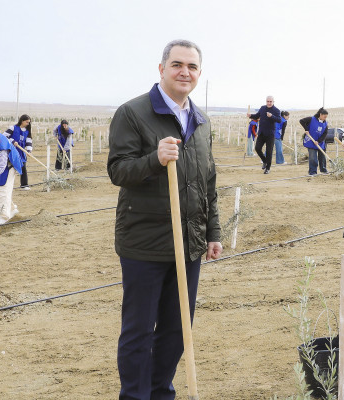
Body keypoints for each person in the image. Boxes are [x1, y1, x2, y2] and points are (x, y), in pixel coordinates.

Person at [107, 39, 223, 400]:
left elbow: (208, 181)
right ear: (161, 69)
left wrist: (213, 232)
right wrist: (154, 160)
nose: (184, 72)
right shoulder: (133, 113)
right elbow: (118, 171)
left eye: (192, 66)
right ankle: (135, 396)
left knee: (177, 329)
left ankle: (160, 392)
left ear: (199, 73)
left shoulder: (201, 121)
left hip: (189, 244)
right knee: (139, 331)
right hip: (145, 243)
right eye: (177, 65)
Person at [248, 96, 282, 174]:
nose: (269, 103)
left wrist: (272, 116)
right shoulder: (262, 108)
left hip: (270, 134)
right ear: (266, 101)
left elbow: (279, 120)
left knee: (269, 152)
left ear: (273, 102)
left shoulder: (276, 110)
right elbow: (257, 116)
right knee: (257, 148)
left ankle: (268, 168)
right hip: (261, 133)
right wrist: (250, 115)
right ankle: (264, 161)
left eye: (270, 101)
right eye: (268, 101)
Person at [4, 114, 32, 190]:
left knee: (23, 168)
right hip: (11, 152)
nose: (28, 124)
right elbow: (4, 136)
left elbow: (29, 141)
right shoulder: (13, 128)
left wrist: (29, 151)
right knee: (9, 168)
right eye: (27, 122)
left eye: (29, 122)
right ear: (22, 121)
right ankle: (4, 184)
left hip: (21, 152)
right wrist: (12, 141)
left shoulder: (27, 131)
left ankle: (24, 185)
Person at [300, 108, 329, 175]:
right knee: (313, 158)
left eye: (326, 117)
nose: (325, 118)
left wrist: (319, 141)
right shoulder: (311, 119)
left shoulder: (325, 124)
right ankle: (312, 172)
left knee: (322, 157)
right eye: (324, 116)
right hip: (311, 141)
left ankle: (323, 170)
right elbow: (301, 121)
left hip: (320, 142)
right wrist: (306, 129)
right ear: (320, 114)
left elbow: (325, 134)